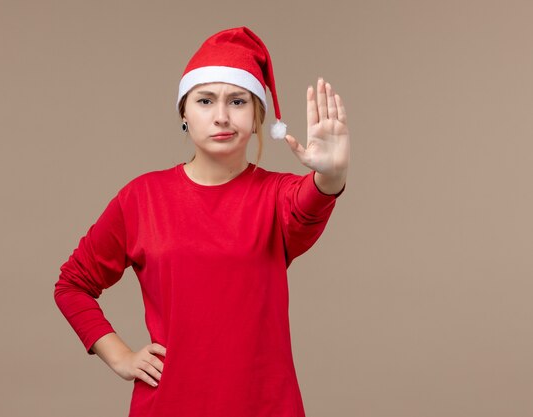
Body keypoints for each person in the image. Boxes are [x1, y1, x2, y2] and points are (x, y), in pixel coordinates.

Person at [54, 26, 349, 417]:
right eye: (206, 100)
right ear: (184, 113)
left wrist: (332, 174)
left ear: (259, 115)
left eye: (238, 101)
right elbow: (72, 285)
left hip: (263, 406)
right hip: (169, 405)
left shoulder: (277, 196)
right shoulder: (142, 198)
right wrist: (120, 356)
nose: (222, 116)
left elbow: (312, 201)